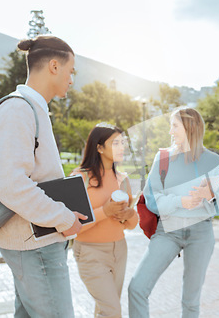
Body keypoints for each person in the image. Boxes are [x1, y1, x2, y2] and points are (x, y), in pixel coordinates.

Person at [0, 36, 86, 317]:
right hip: (35, 246)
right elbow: (12, 186)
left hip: (36, 242)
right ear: (54, 65)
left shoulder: (31, 109)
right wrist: (64, 217)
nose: (71, 79)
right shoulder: (18, 110)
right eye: (71, 70)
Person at [128, 107, 219, 318]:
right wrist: (180, 201)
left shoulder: (213, 161)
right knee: (137, 288)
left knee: (190, 302)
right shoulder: (163, 158)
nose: (170, 131)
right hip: (168, 231)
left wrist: (208, 194)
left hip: (201, 233)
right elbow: (152, 198)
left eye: (174, 126)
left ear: (190, 128)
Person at [71, 123, 138, 317]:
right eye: (115, 143)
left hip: (119, 250)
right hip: (90, 253)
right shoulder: (79, 177)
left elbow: (132, 224)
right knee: (112, 310)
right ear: (99, 147)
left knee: (105, 310)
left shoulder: (122, 179)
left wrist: (128, 215)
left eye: (122, 142)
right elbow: (73, 226)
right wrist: (105, 211)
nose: (121, 147)